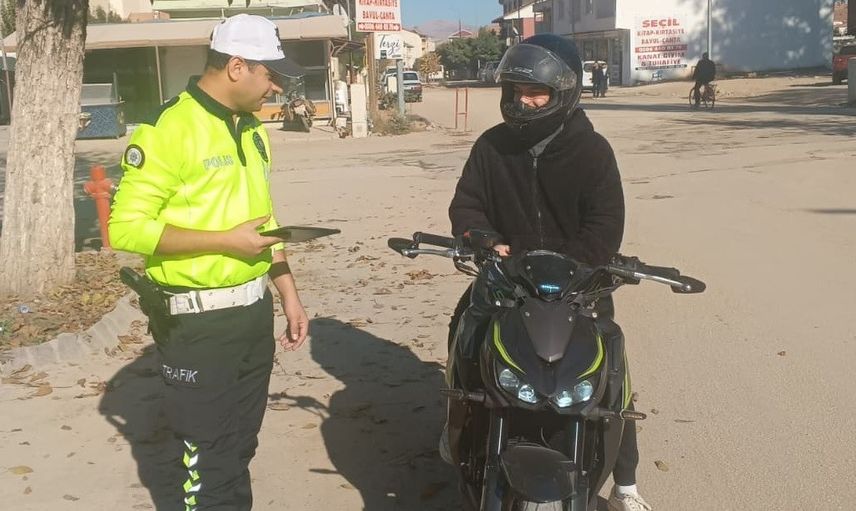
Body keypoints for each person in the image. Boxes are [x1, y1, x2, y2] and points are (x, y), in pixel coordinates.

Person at [108, 14, 309, 510]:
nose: (276, 87)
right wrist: (224, 241)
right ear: (237, 67)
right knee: (208, 458)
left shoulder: (253, 130)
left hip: (252, 315)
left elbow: (264, 220)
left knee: (239, 447)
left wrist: (288, 292)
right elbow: (126, 229)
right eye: (271, 75)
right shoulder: (167, 130)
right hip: (196, 325)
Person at [445, 34, 652, 511]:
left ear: (565, 92)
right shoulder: (491, 147)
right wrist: (481, 238)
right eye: (517, 91)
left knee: (612, 373)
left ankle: (625, 480)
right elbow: (467, 204)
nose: (524, 102)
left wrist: (575, 267)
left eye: (536, 93)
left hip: (579, 286)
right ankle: (458, 421)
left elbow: (605, 224)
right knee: (465, 331)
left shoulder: (593, 151)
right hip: (506, 280)